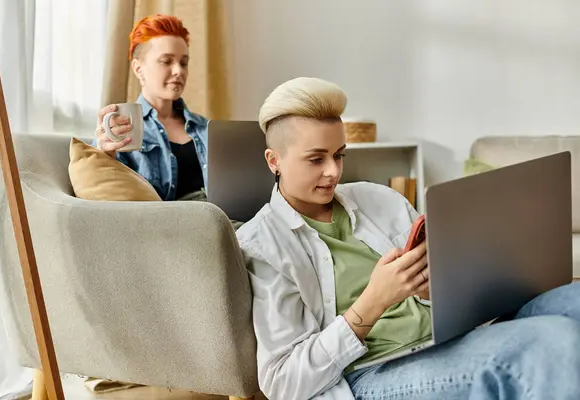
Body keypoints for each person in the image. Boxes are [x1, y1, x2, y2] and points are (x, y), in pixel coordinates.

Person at [236, 77, 580, 400]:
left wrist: (435, 290)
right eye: (316, 159)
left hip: (448, 336)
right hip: (372, 373)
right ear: (274, 161)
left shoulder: (379, 199)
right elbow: (282, 382)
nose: (334, 171)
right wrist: (373, 301)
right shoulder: (262, 246)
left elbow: (440, 286)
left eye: (339, 154)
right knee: (553, 343)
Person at [93, 14, 208, 201]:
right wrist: (104, 155)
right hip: (173, 225)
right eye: (166, 61)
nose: (178, 70)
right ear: (138, 69)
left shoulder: (206, 127)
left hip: (225, 219)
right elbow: (103, 196)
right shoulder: (119, 129)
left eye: (184, 62)